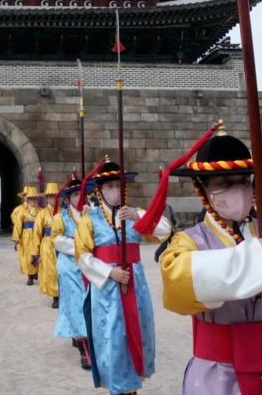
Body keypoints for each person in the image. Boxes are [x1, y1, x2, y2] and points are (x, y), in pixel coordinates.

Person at [153, 121, 262, 395]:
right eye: (225, 183)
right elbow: (177, 285)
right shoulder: (189, 242)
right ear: (203, 188)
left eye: (244, 182)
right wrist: (249, 261)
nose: (238, 190)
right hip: (215, 375)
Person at [76, 160, 169, 395]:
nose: (115, 190)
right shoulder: (90, 219)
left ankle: (132, 387)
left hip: (135, 285)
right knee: (113, 336)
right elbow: (82, 256)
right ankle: (118, 387)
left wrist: (138, 217)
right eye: (109, 186)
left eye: (119, 185)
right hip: (107, 289)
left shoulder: (134, 213)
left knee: (138, 331)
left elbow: (165, 230)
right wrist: (109, 271)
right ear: (99, 190)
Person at [50, 178, 93, 370]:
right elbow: (57, 240)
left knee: (92, 303)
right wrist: (79, 244)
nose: (80, 197)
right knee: (76, 303)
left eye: (82, 194)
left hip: (90, 265)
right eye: (76, 194)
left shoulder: (93, 214)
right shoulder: (61, 217)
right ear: (68, 197)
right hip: (69, 265)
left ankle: (87, 337)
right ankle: (85, 347)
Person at [11, 185, 43, 285]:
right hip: (26, 236)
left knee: (38, 254)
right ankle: (30, 276)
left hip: (37, 236)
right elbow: (17, 224)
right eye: (31, 199)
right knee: (28, 256)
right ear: (27, 199)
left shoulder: (41, 211)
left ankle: (35, 271)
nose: (33, 201)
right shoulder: (21, 210)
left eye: (35, 199)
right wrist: (17, 238)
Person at [37, 182, 60, 307]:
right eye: (50, 197)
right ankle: (55, 296)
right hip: (47, 243)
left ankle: (64, 293)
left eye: (55, 197)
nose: (53, 199)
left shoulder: (63, 211)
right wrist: (36, 250)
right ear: (46, 199)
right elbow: (37, 232)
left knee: (62, 268)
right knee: (51, 270)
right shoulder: (42, 213)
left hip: (61, 243)